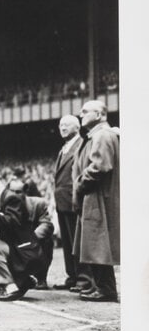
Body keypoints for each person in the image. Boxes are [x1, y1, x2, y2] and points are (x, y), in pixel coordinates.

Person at [0, 171, 48, 302]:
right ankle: (23, 280)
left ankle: (10, 286)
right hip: (20, 247)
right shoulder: (3, 198)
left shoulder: (11, 198)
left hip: (24, 250)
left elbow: (13, 223)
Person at [73, 100, 120, 302]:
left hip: (98, 195)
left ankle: (106, 289)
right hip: (97, 195)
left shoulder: (102, 135)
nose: (80, 114)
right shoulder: (99, 135)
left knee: (97, 243)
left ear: (99, 115)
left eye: (85, 111)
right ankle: (103, 286)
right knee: (96, 244)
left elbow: (100, 167)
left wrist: (80, 183)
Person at [52, 115, 92, 292]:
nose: (62, 127)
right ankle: (73, 276)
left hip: (74, 199)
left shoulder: (81, 145)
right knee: (67, 242)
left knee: (77, 241)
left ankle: (84, 278)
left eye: (66, 124)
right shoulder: (64, 148)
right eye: (60, 125)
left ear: (77, 127)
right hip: (62, 201)